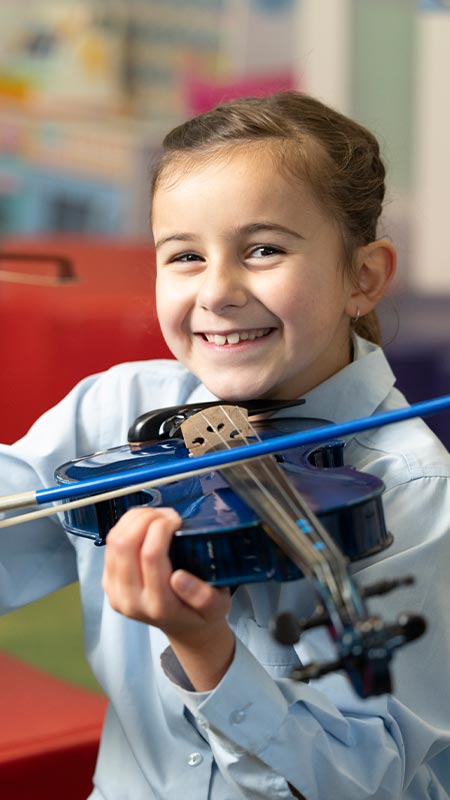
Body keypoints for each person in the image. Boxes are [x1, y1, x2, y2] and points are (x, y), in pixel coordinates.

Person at [1, 91, 450, 800]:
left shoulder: (410, 486)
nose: (217, 292)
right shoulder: (116, 410)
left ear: (362, 277)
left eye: (263, 249)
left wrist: (207, 651)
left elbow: (367, 781)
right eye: (185, 256)